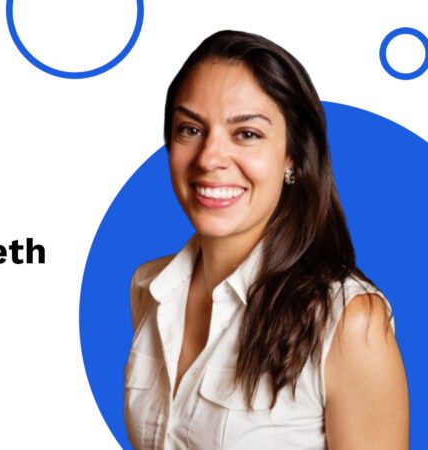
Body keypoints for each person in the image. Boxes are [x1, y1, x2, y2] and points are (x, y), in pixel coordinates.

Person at [124, 30, 409, 450]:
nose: (209, 158)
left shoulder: (350, 322)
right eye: (190, 129)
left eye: (247, 134)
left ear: (293, 155)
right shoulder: (150, 287)